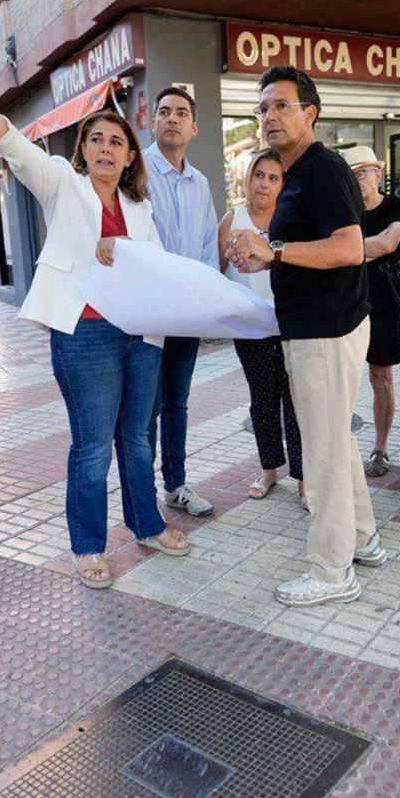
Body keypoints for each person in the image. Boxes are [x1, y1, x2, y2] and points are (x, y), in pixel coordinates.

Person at [0, 54, 190, 590]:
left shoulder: (141, 205)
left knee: (136, 439)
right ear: (82, 152)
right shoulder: (62, 184)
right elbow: (12, 141)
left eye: (116, 141)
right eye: (96, 140)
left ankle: (146, 526)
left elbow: (156, 266)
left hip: (142, 335)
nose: (106, 148)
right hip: (86, 333)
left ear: (131, 154)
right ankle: (88, 546)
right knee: (92, 445)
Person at [226, 66, 387, 607]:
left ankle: (331, 571)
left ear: (310, 113)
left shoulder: (322, 169)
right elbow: (303, 254)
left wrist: (273, 251)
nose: (269, 116)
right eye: (263, 108)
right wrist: (265, 261)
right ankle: (362, 540)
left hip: (326, 330)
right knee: (334, 441)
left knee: (320, 454)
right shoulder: (295, 175)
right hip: (313, 326)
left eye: (282, 106)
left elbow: (348, 248)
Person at [143, 87, 218, 519]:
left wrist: (203, 301)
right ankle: (143, 489)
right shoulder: (139, 172)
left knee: (177, 402)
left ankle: (176, 486)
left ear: (194, 127)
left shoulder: (201, 181)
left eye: (181, 113)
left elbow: (208, 245)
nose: (172, 118)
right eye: (164, 112)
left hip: (186, 313)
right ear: (153, 122)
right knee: (146, 406)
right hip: (150, 313)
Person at [217, 148, 303, 501]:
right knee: (262, 400)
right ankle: (269, 470)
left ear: (283, 185)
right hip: (251, 329)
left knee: (297, 402)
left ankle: (303, 477)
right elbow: (217, 275)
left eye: (273, 178)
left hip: (292, 323)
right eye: (259, 175)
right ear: (248, 177)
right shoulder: (232, 220)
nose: (264, 184)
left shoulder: (292, 219)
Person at [342, 146, 400, 477]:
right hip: (347, 299)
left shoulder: (395, 205)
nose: (359, 179)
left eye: (364, 171)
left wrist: (345, 252)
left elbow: (388, 244)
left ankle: (380, 449)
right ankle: (341, 446)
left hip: (383, 299)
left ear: (379, 174)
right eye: (352, 174)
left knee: (381, 376)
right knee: (344, 375)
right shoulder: (346, 209)